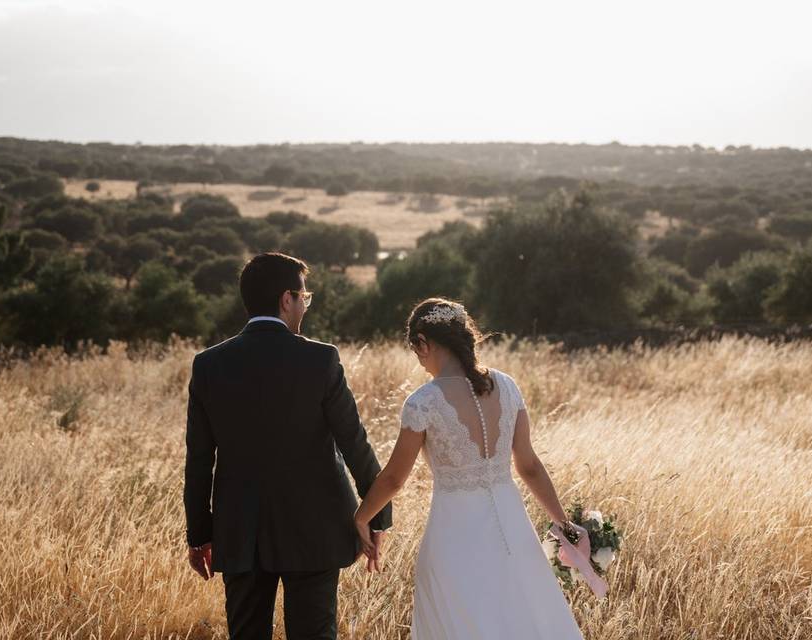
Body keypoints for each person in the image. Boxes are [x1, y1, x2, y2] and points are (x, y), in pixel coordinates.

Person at [183, 252, 392, 640]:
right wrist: (376, 515)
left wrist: (199, 534)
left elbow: (198, 461)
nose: (304, 306)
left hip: (240, 531)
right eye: (304, 298)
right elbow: (354, 442)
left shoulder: (209, 364)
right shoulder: (321, 360)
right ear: (286, 299)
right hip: (316, 529)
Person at [353, 297, 587, 639]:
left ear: (423, 342)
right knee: (519, 616)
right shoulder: (507, 387)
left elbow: (393, 478)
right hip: (512, 530)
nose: (419, 360)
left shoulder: (423, 401)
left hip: (454, 536)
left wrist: (361, 518)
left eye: (416, 350)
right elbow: (530, 466)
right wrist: (562, 522)